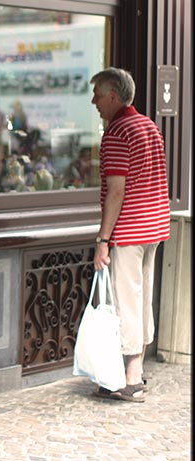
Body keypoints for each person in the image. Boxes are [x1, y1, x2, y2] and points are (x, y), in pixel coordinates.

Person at [90, 67, 170, 403]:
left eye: (97, 95)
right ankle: (136, 367)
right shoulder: (149, 126)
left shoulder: (118, 131)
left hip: (129, 228)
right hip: (154, 226)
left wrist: (102, 241)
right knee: (141, 297)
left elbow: (117, 192)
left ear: (112, 96)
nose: (93, 101)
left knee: (125, 301)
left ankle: (129, 379)